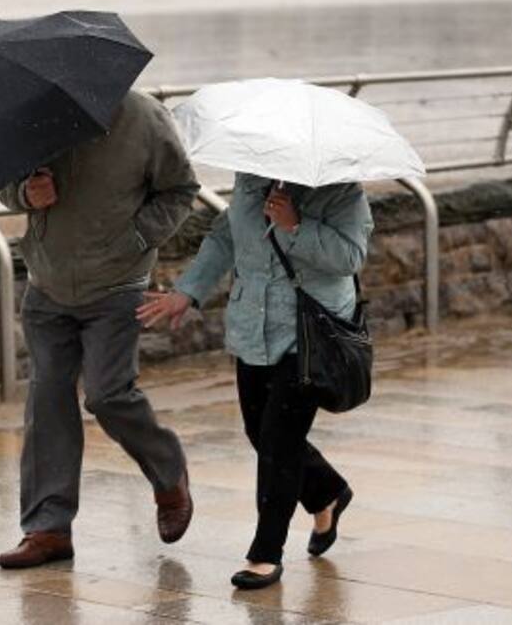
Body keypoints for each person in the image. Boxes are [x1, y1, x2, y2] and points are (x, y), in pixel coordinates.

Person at [0, 89, 201, 569]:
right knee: (47, 403)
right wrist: (26, 193)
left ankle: (169, 473)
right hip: (47, 285)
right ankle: (47, 528)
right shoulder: (32, 114)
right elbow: (5, 183)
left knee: (108, 395)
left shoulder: (145, 116)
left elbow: (180, 190)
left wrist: (135, 238)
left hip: (117, 284)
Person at [137, 174, 373, 590]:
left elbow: (350, 257)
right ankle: (327, 492)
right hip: (252, 329)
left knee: (279, 443)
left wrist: (297, 225)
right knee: (259, 432)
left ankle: (265, 553)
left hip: (307, 335)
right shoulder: (251, 181)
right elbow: (225, 238)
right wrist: (187, 293)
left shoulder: (341, 191)